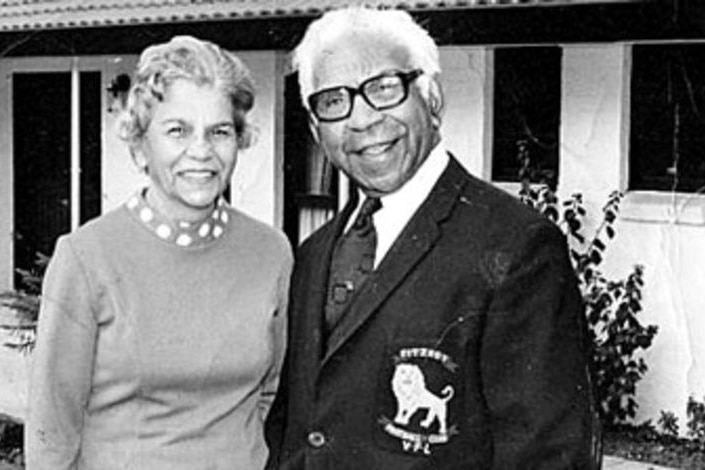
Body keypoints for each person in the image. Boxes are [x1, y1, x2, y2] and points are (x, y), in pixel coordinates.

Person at [266, 7, 599, 469]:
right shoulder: (315, 254)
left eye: (384, 88)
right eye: (333, 101)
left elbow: (549, 457)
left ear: (433, 98)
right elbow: (296, 434)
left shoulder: (518, 248)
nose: (362, 120)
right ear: (315, 129)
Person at [25, 35, 292, 469]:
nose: (201, 151)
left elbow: (271, 394)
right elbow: (52, 432)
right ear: (139, 144)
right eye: (177, 131)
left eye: (219, 131)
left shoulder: (271, 252)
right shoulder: (86, 257)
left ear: (239, 140)